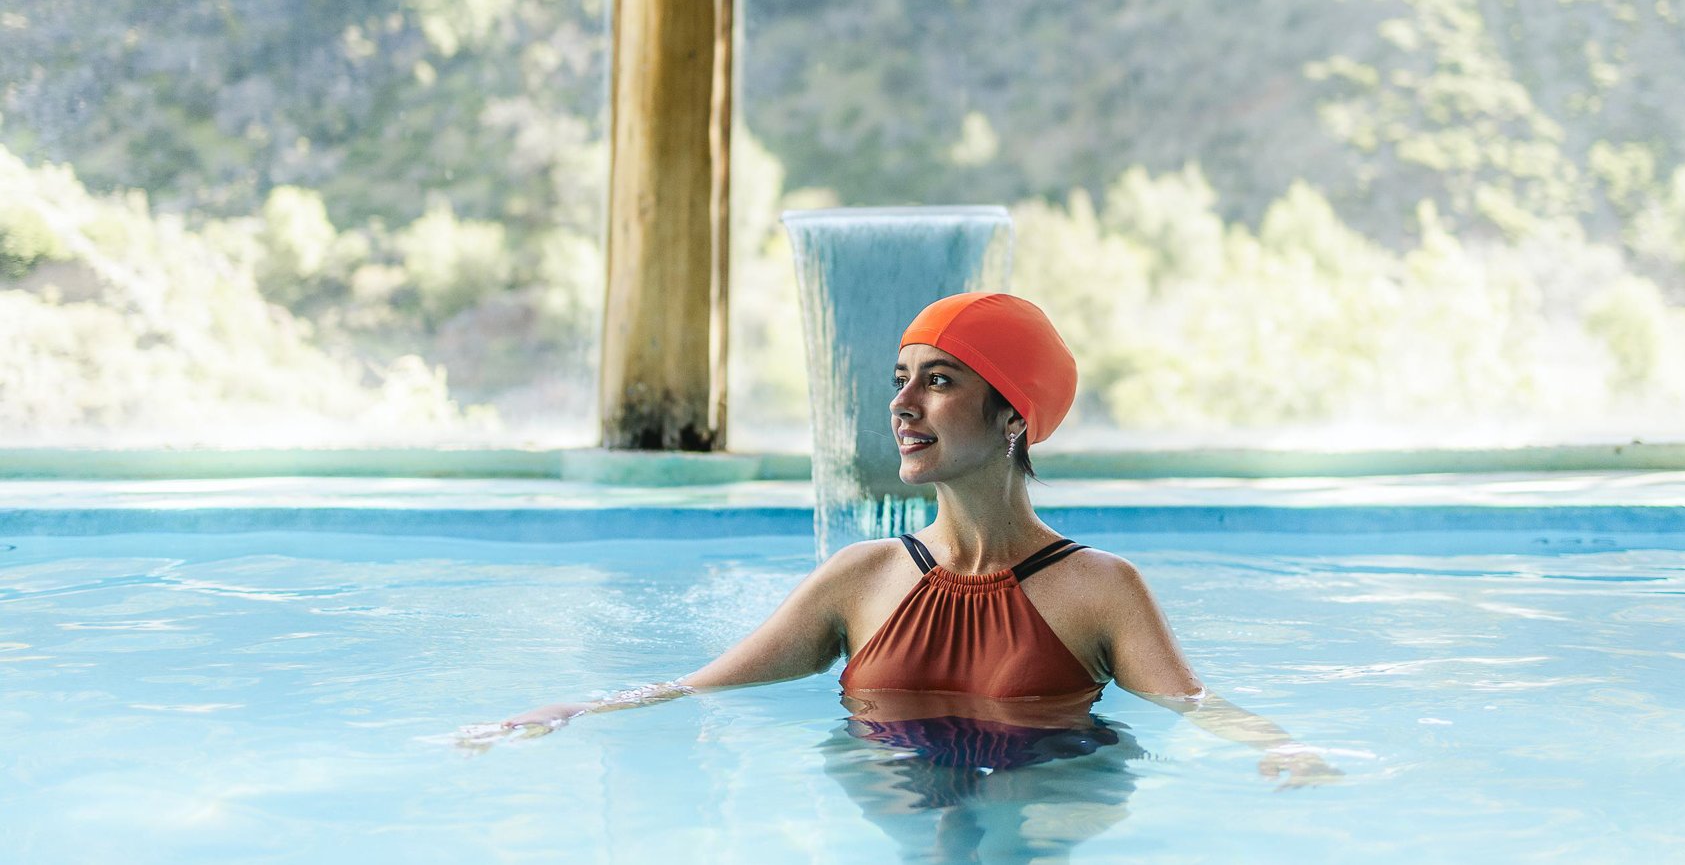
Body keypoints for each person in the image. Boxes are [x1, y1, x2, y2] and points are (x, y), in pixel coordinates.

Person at [464, 292, 1337, 794]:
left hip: (1048, 804)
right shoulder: (862, 578)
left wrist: (1283, 741)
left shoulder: (1099, 588)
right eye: (900, 380)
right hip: (892, 805)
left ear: (1012, 416)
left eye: (940, 380)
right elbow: (702, 684)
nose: (903, 402)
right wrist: (567, 709)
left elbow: (1192, 704)